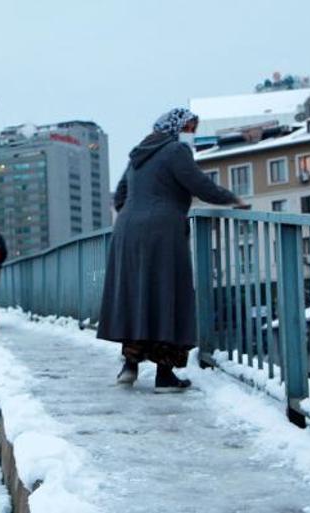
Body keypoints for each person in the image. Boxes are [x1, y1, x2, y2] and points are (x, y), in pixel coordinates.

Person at [97, 108, 246, 392]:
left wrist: (135, 214)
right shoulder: (175, 150)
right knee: (169, 295)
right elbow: (198, 184)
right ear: (176, 126)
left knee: (137, 295)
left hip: (126, 231)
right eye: (190, 126)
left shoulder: (138, 154)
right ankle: (165, 374)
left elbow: (120, 197)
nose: (192, 131)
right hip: (162, 231)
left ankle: (129, 366)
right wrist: (232, 199)